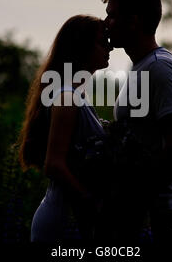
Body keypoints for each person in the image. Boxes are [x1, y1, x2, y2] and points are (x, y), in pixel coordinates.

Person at [102, 0, 172, 243]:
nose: (106, 22)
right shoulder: (142, 67)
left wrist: (137, 197)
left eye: (112, 15)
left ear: (133, 21)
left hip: (166, 218)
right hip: (149, 213)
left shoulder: (161, 69)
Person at [17, 15, 113, 243]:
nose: (110, 47)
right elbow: (54, 165)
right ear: (82, 47)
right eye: (102, 42)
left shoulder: (77, 95)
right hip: (62, 220)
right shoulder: (67, 98)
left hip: (72, 218)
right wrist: (91, 202)